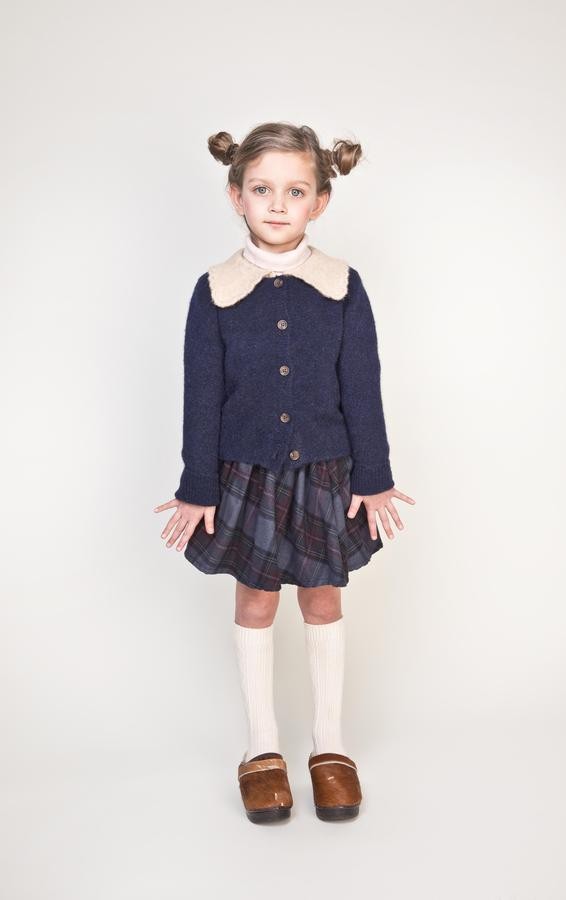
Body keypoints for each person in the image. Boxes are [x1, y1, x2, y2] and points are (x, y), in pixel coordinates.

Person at [154, 122, 415, 824]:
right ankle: (262, 749)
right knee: (257, 601)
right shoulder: (215, 290)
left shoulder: (342, 286)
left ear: (320, 201)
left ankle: (330, 748)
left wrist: (374, 474)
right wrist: (197, 485)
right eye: (262, 189)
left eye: (295, 191)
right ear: (235, 194)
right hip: (245, 475)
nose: (277, 204)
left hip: (327, 473)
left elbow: (362, 383)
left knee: (323, 599)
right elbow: (201, 392)